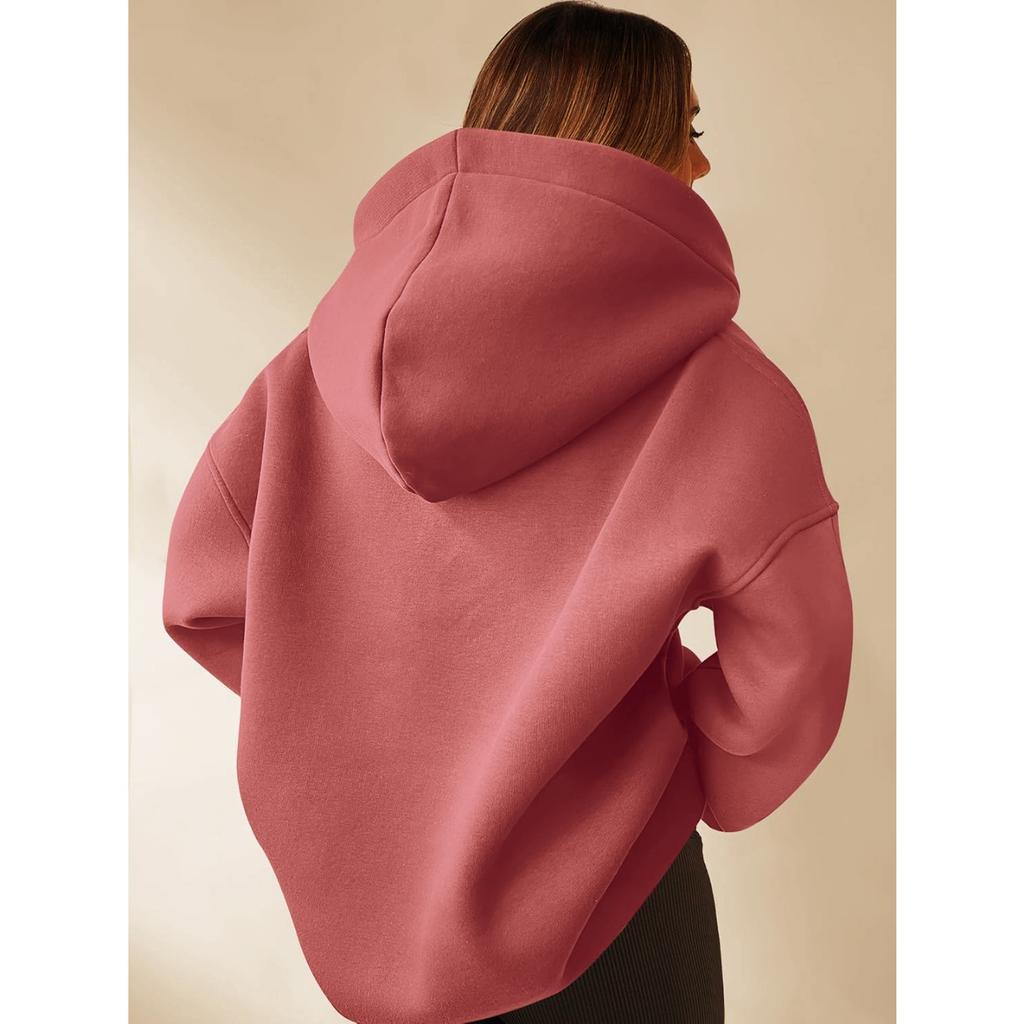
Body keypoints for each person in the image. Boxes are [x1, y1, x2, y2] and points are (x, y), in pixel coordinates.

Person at [162, 3, 854, 1023]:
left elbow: (202, 594)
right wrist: (675, 764)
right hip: (616, 911)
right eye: (689, 130)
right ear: (629, 137)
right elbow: (791, 671)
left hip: (373, 915)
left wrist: (362, 721)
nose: (702, 168)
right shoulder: (728, 392)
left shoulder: (313, 369)